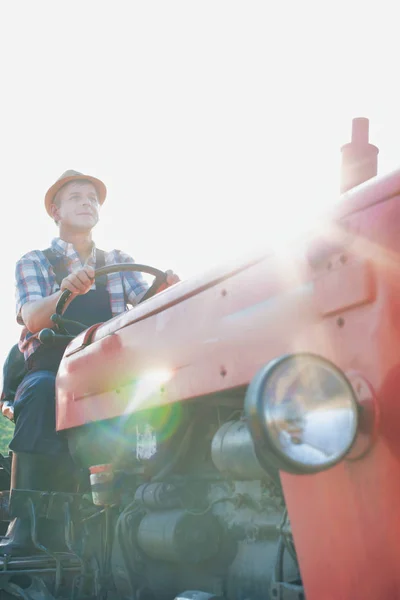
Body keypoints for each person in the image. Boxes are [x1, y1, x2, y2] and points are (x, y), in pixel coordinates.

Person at [0, 170, 179, 555]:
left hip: (111, 368)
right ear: (55, 210)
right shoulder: (35, 261)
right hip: (55, 366)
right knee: (41, 391)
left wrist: (164, 290)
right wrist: (64, 291)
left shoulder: (117, 260)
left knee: (162, 397)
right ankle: (26, 527)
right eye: (77, 197)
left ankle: (140, 510)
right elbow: (32, 316)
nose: (88, 203)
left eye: (93, 199)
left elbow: (148, 306)